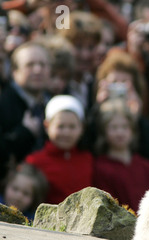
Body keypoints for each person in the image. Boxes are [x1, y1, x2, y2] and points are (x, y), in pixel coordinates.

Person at [92, 98, 149, 213]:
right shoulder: (100, 168)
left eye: (124, 127)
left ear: (132, 131)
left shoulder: (146, 167)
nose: (120, 133)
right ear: (104, 131)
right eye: (113, 127)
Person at [25, 95, 93, 204]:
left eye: (72, 127)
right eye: (60, 126)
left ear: (82, 128)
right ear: (47, 126)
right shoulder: (34, 161)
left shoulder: (88, 159)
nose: (66, 133)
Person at [0, 41, 51, 180]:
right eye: (30, 65)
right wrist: (24, 132)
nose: (38, 70)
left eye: (43, 64)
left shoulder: (53, 102)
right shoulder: (3, 103)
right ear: (14, 71)